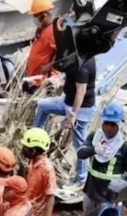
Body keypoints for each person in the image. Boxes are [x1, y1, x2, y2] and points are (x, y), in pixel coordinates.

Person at [33, 48, 96, 187]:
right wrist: (57, 81)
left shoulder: (84, 66)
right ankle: (36, 138)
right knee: (43, 106)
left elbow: (81, 92)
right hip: (66, 100)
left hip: (81, 108)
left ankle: (81, 179)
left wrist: (73, 115)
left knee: (80, 146)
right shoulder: (76, 56)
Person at [23, 0, 58, 94]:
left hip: (41, 81)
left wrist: (48, 66)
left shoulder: (53, 32)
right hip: (33, 77)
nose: (34, 19)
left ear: (44, 14)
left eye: (36, 16)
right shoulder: (42, 29)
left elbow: (61, 53)